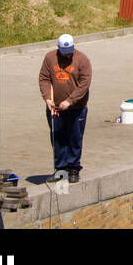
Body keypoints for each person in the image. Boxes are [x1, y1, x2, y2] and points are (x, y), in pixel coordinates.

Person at [38, 34, 91, 184]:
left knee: (74, 138)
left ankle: (73, 168)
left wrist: (70, 101)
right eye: (63, 51)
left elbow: (84, 84)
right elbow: (44, 78)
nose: (66, 54)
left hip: (76, 109)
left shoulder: (82, 60)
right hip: (55, 108)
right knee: (58, 139)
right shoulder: (50, 58)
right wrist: (47, 97)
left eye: (69, 51)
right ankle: (60, 169)